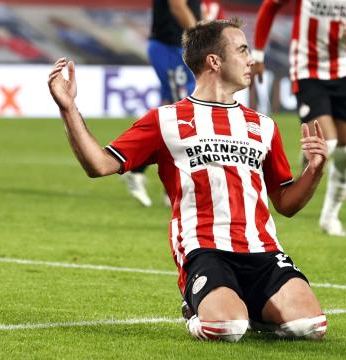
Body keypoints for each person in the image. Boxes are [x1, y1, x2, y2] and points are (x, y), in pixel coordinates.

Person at [48, 18, 328, 342]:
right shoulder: (165, 120)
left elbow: (286, 204)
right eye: (242, 50)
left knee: (310, 326)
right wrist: (68, 108)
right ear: (214, 61)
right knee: (226, 329)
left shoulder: (263, 126)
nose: (251, 59)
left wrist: (314, 171)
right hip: (205, 251)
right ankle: (199, 311)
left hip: (262, 251)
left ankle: (247, 305)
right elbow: (98, 164)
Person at [253, 0, 346, 237]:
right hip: (308, 69)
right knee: (328, 143)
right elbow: (271, 5)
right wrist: (258, 54)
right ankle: (308, 159)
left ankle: (330, 216)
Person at [121, 0, 202, 207]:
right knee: (182, 116)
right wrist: (202, 39)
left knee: (171, 112)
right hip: (170, 48)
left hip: (177, 49)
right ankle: (173, 185)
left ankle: (139, 170)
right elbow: (177, 6)